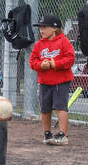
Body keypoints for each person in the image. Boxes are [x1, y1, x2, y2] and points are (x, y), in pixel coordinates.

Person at [29, 13, 75, 145]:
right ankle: (47, 134)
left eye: (45, 27)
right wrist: (41, 65)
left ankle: (63, 135)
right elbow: (32, 62)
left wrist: (55, 64)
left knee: (60, 107)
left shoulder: (63, 41)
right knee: (45, 109)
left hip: (61, 81)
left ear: (54, 28)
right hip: (45, 82)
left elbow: (70, 59)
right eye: (40, 27)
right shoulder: (39, 45)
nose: (41, 30)